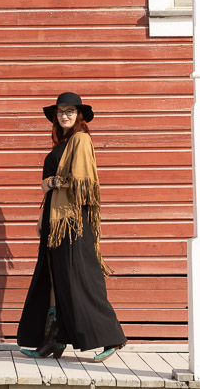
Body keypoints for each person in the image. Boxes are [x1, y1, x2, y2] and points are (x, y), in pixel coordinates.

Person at [16, 92, 127, 361]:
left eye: (70, 111)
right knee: (54, 279)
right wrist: (48, 196)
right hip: (55, 222)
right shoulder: (61, 145)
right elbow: (45, 185)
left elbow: (81, 181)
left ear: (79, 116)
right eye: (61, 111)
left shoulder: (81, 139)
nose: (64, 115)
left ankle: (111, 336)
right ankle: (53, 340)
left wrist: (53, 182)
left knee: (81, 278)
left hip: (74, 221)